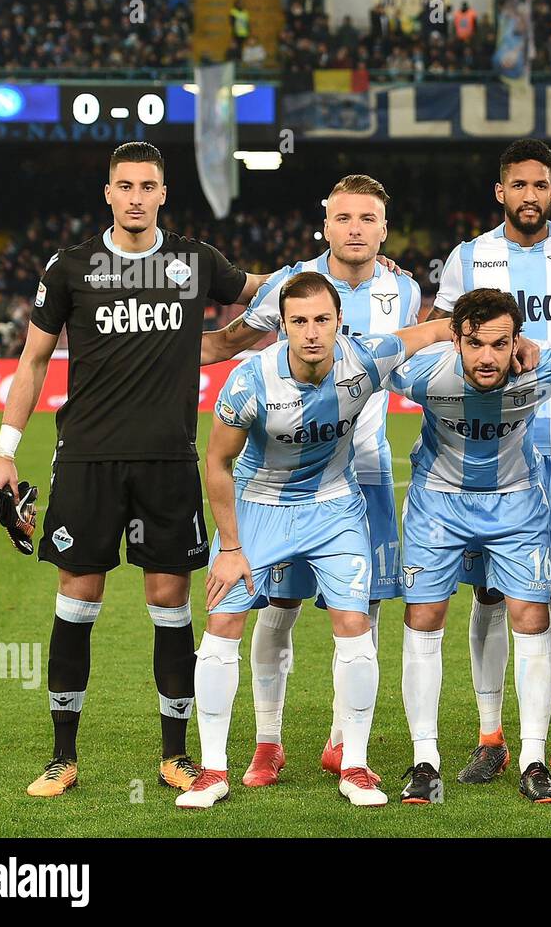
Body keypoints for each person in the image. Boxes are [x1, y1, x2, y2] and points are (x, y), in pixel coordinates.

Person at [0, 141, 272, 798]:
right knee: (77, 601)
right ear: (108, 193)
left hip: (170, 460)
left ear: (164, 193)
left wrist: (334, 266)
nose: (136, 196)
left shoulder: (195, 262)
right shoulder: (72, 267)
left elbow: (262, 292)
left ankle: (175, 756)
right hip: (86, 458)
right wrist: (5, 451)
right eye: (125, 185)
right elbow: (31, 362)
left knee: (170, 603)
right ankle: (63, 757)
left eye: (148, 185)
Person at [176, 272, 460, 809]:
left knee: (354, 625)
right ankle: (213, 770)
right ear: (282, 326)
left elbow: (437, 330)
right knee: (222, 624)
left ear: (339, 323)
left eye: (322, 320)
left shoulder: (366, 359)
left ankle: (353, 762)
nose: (312, 333)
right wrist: (232, 548)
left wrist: (519, 341)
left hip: (334, 507)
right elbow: (216, 462)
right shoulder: (249, 380)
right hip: (260, 507)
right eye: (299, 321)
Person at [200, 174, 431, 787]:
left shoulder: (404, 289)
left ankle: (340, 743)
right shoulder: (287, 284)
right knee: (278, 606)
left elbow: (415, 348)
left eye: (368, 218)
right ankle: (267, 742)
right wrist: (150, 354)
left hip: (368, 472)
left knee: (364, 607)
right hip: (279, 480)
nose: (355, 228)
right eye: (343, 217)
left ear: (384, 229)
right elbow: (229, 343)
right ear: (325, 224)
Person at [428, 139, 551, 787]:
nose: (531, 196)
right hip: (490, 449)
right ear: (501, 192)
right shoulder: (469, 258)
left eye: (541, 185)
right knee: (490, 594)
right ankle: (492, 738)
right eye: (519, 185)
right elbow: (438, 337)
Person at [390, 288, 551, 805]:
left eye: (500, 344)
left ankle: (532, 760)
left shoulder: (543, 368)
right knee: (424, 617)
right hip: (438, 503)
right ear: (457, 340)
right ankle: (425, 761)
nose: (487, 357)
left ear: (517, 342)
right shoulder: (423, 375)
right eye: (474, 343)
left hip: (515, 503)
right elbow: (368, 361)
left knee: (531, 616)